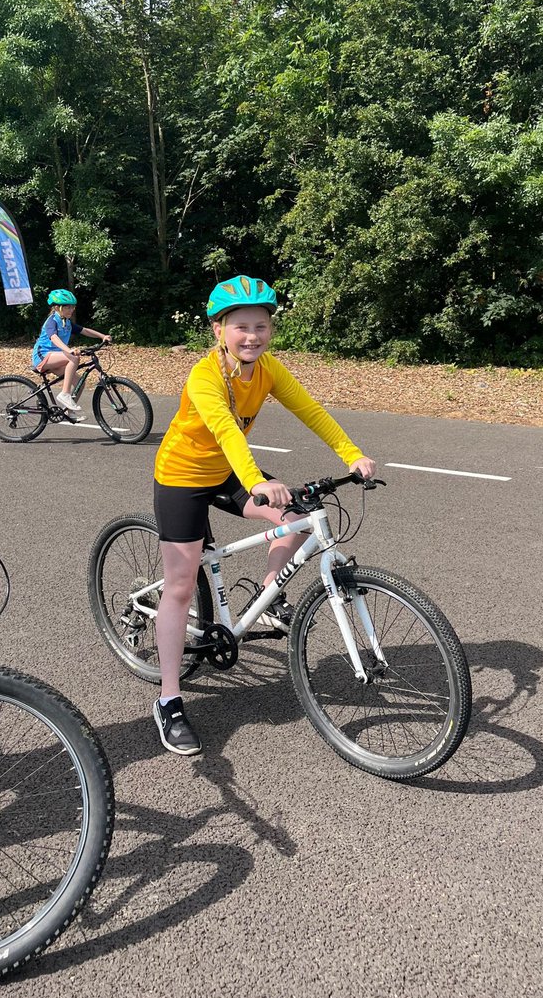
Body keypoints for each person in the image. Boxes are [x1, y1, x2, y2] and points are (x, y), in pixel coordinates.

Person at [151, 274, 376, 756]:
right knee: (180, 586)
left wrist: (350, 453)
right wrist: (256, 480)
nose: (252, 335)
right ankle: (169, 699)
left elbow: (311, 411)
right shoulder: (205, 374)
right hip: (183, 476)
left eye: (261, 325)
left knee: (298, 514)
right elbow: (227, 431)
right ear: (219, 330)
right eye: (241, 326)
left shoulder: (269, 369)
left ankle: (269, 595)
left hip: (232, 473)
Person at [31, 289, 112, 421]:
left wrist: (102, 336)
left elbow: (84, 330)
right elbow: (53, 337)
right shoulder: (52, 321)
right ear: (57, 307)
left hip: (56, 356)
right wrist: (68, 350)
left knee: (80, 382)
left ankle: (69, 412)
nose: (71, 309)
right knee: (73, 357)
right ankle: (64, 394)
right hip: (42, 356)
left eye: (72, 306)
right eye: (67, 307)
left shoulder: (66, 322)